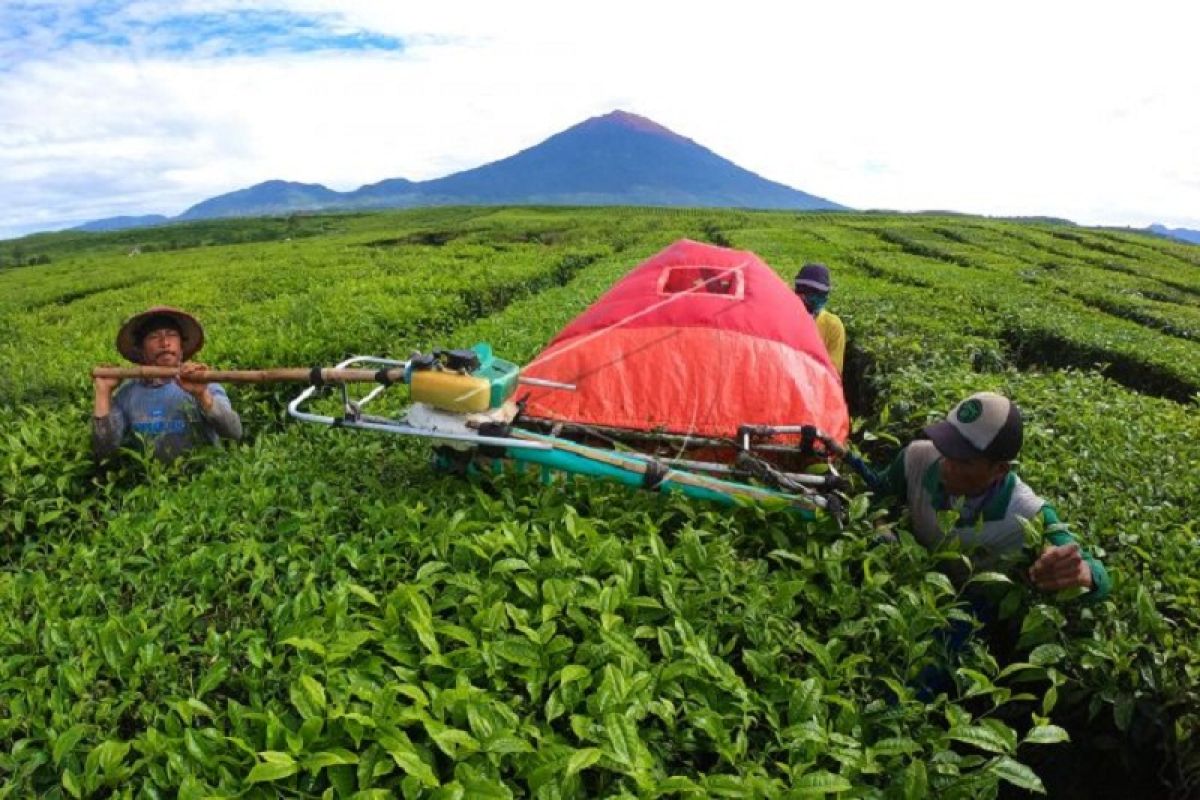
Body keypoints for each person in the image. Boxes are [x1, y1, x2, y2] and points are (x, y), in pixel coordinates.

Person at [867, 391, 1110, 601]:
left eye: (963, 460)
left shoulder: (1026, 512)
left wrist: (1085, 575)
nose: (946, 464)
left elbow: (1096, 574)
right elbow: (879, 496)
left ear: (999, 470)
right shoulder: (916, 458)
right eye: (946, 447)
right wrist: (882, 529)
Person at [92, 306, 242, 461]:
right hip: (154, 483)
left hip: (205, 480)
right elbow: (104, 451)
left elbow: (234, 432)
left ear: (181, 348)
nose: (164, 343)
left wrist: (203, 395)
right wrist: (103, 392)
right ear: (142, 351)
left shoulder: (204, 383)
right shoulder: (127, 394)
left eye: (171, 335)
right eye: (154, 337)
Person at [794, 262, 845, 375]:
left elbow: (833, 372)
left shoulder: (833, 326)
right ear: (799, 293)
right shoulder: (784, 318)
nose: (822, 299)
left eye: (823, 295)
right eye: (815, 295)